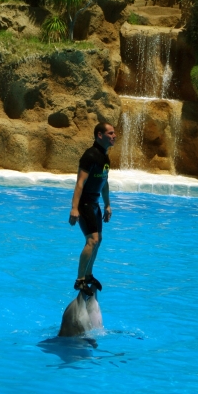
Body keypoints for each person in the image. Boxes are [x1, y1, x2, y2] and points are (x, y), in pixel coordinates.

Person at [69, 122, 116, 295]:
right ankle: (80, 280)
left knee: (99, 239)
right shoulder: (89, 155)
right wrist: (74, 208)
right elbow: (80, 183)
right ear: (99, 135)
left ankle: (88, 275)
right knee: (92, 240)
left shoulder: (105, 157)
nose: (114, 136)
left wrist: (107, 204)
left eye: (114, 133)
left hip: (95, 204)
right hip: (85, 203)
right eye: (110, 133)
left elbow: (104, 182)